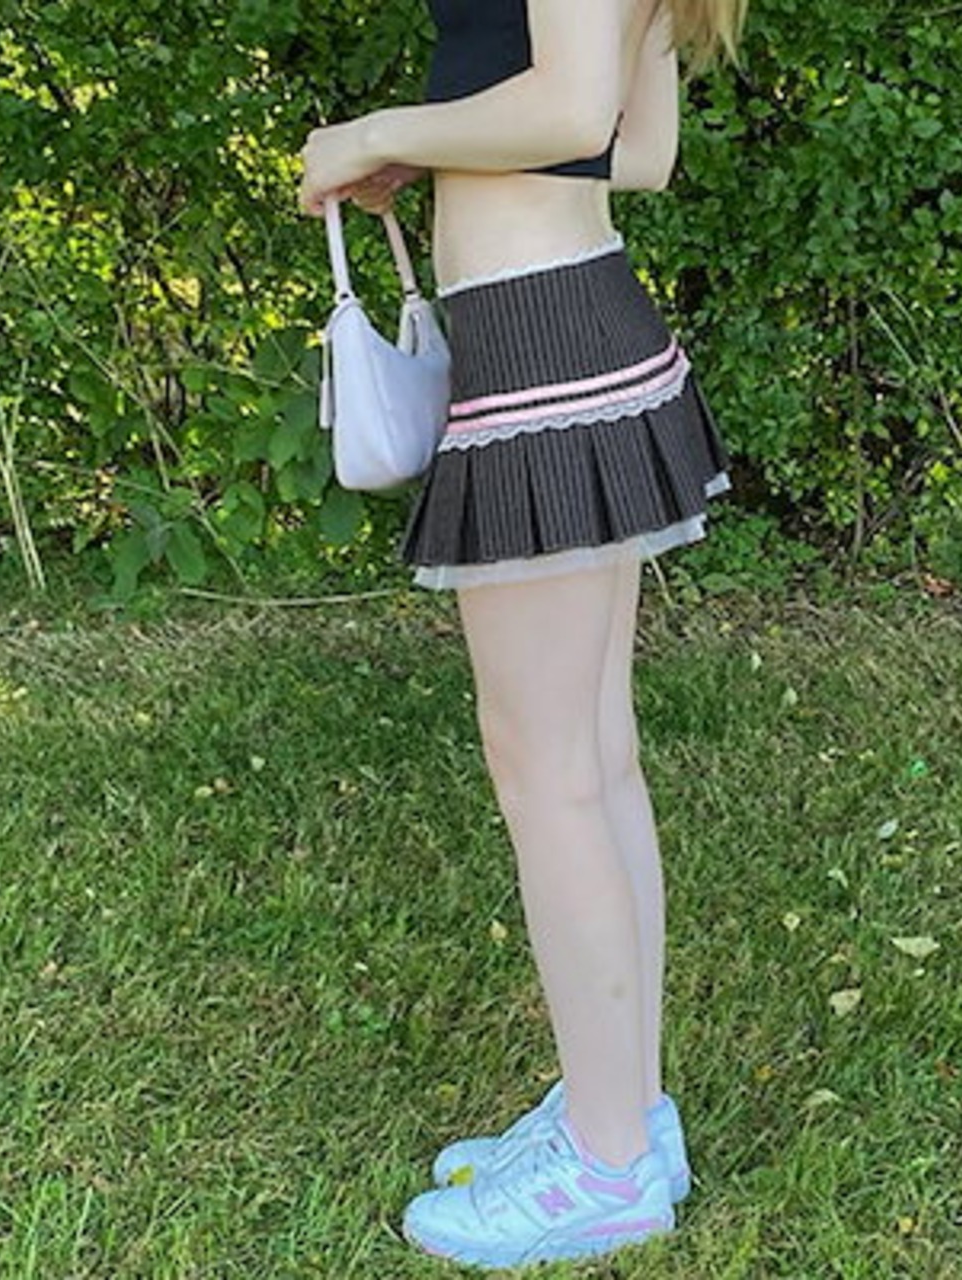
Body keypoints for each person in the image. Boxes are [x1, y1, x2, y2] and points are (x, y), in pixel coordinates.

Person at [299, 0, 746, 1267]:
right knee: (589, 764)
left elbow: (568, 109)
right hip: (576, 327)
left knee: (550, 775)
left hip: (542, 358)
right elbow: (635, 148)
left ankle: (606, 1170)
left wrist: (372, 134)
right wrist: (430, 144)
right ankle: (625, 1117)